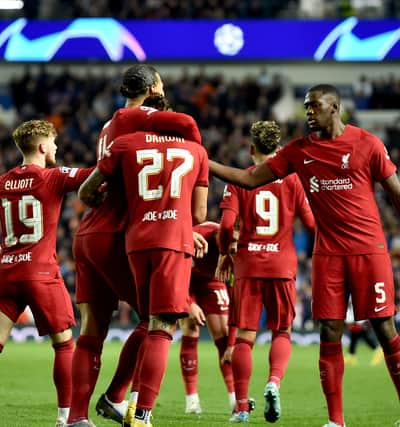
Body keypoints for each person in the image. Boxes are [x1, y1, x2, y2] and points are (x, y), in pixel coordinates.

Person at [209, 84, 400, 427]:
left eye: (314, 106)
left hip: (369, 251)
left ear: (334, 108)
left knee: (384, 327)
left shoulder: (367, 144)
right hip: (328, 255)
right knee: (329, 331)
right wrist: (202, 160)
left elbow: (398, 195)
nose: (308, 112)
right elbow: (247, 179)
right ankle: (335, 420)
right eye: (305, 107)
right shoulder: (299, 152)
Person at [68, 65, 202, 427]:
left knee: (92, 329)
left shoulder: (109, 126)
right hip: (119, 231)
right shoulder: (141, 119)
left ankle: (76, 418)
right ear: (154, 87)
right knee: (156, 319)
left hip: (88, 233)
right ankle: (116, 397)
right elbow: (189, 128)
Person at [0, 120, 92, 427]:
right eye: (54, 142)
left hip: (8, 271)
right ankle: (64, 419)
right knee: (64, 344)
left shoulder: (1, 183)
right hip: (41, 273)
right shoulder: (54, 177)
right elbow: (96, 175)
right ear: (42, 147)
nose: (57, 148)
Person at [215, 120, 315, 423]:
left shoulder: (239, 180)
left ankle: (242, 407)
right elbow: (311, 224)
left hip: (249, 263)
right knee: (281, 331)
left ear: (251, 149)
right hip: (282, 264)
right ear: (280, 148)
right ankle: (273, 382)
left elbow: (226, 226)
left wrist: (224, 254)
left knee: (245, 337)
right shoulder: (294, 180)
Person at [179, 221, 236, 415]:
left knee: (225, 338)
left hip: (213, 282)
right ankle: (192, 400)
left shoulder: (237, 249)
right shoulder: (197, 234)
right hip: (185, 282)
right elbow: (175, 274)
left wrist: (234, 339)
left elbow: (238, 291)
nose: (233, 246)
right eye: (230, 241)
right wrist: (189, 303)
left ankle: (234, 399)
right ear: (220, 234)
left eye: (235, 241)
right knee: (190, 329)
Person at [344, 299, 384, 366]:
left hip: (362, 325)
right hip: (357, 326)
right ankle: (351, 356)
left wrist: (359, 324)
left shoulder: (359, 305)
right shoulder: (349, 310)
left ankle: (378, 351)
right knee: (355, 339)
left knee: (363, 338)